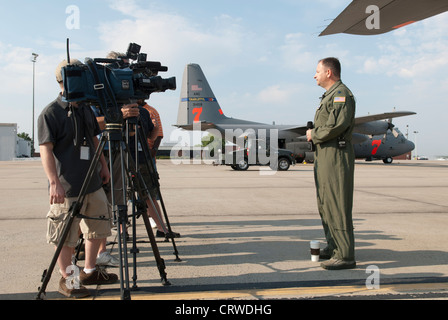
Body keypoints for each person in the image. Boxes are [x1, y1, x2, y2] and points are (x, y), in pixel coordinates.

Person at [38, 59, 118, 298]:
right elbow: (45, 148)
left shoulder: (84, 108)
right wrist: (54, 182)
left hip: (91, 182)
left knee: (98, 226)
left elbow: (94, 139)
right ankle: (68, 279)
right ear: (64, 81)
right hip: (67, 186)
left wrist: (103, 166)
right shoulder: (50, 112)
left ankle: (90, 270)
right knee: (65, 234)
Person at [306, 57, 356, 270]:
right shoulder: (330, 95)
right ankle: (334, 246)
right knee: (325, 203)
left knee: (337, 204)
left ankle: (345, 255)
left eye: (317, 71)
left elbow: (336, 126)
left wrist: (313, 134)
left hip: (336, 156)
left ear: (329, 73)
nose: (314, 75)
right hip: (325, 156)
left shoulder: (341, 95)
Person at [137, 99, 180, 239]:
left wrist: (152, 153)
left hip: (145, 158)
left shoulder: (149, 111)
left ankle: (162, 228)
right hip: (126, 156)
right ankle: (122, 230)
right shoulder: (120, 110)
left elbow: (158, 134)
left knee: (150, 194)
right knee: (122, 196)